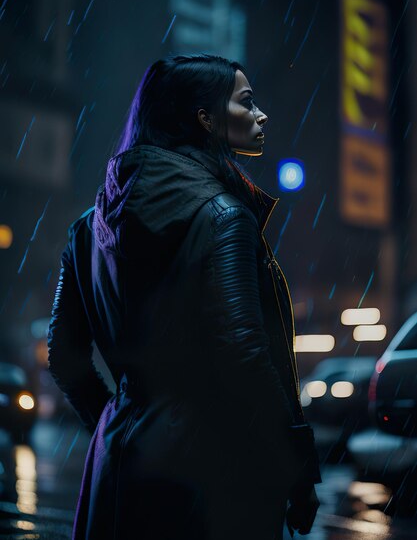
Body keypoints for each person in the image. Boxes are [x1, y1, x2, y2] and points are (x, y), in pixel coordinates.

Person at [47, 53, 322, 540]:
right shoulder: (223, 217)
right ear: (205, 119)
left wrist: (119, 422)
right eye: (246, 102)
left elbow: (64, 356)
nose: (262, 116)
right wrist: (296, 467)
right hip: (211, 471)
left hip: (116, 463)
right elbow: (246, 354)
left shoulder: (87, 229)